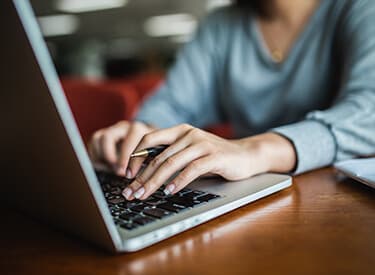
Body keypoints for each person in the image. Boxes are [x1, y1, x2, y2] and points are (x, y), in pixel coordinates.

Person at [89, 0, 375, 201]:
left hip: (334, 198)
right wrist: (142, 131)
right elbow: (172, 103)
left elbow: (368, 111)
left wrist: (254, 150)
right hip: (246, 198)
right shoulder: (220, 25)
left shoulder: (360, 8)